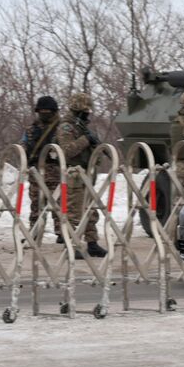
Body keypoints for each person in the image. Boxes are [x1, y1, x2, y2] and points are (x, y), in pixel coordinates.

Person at [58, 91, 106, 258]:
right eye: (85, 111)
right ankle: (71, 244)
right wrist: (86, 139)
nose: (88, 115)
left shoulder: (81, 126)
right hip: (74, 174)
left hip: (86, 173)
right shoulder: (67, 127)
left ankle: (92, 243)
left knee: (90, 211)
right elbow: (67, 150)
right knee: (73, 212)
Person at [21, 95, 65, 243]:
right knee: (36, 205)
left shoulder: (61, 128)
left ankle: (62, 233)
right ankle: (34, 233)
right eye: (42, 111)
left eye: (48, 111)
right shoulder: (31, 129)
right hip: (36, 173)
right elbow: (24, 146)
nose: (44, 114)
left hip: (55, 172)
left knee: (58, 204)